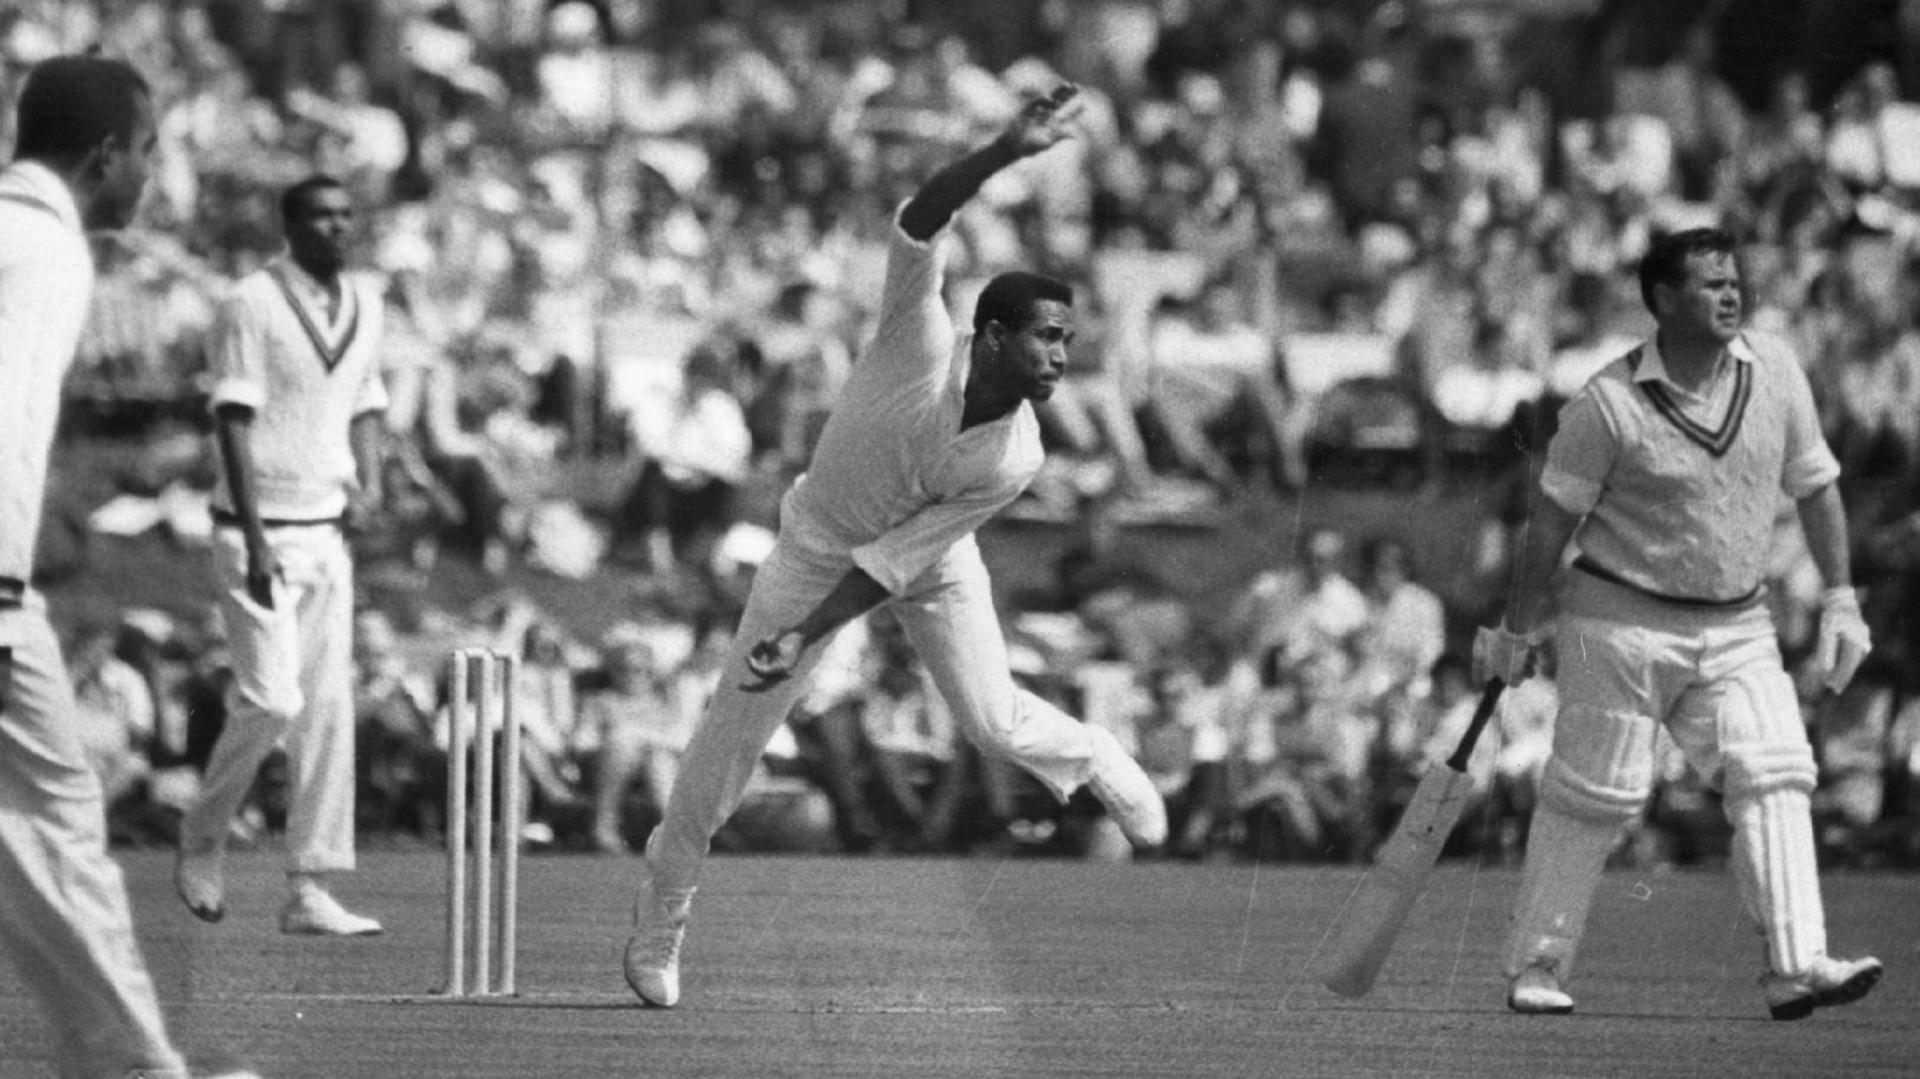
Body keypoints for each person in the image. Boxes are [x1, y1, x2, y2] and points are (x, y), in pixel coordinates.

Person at [624, 84, 1167, 1008]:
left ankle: (1094, 757)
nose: (1061, 356)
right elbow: (920, 221)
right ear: (991, 335)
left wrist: (812, 634)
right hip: (813, 549)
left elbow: (904, 560)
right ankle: (660, 923)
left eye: (1069, 341)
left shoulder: (1019, 452)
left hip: (924, 556)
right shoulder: (918, 337)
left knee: (992, 721)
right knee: (724, 756)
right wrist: (1002, 151)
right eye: (1045, 337)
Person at [1473, 228, 1881, 1020]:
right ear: (1662, 299)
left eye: (1736, 281)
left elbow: (1816, 484)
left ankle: (1798, 965)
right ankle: (1537, 964)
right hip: (1618, 623)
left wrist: (1841, 597)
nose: (1731, 295)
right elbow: (1548, 528)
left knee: (1774, 771)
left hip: (1739, 622)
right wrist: (1515, 632)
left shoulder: (1778, 371)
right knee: (1595, 794)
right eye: (1709, 285)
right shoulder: (1607, 403)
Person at [0, 53, 262, 1079]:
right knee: (55, 827)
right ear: (106, 154)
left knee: (49, 828)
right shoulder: (47, 251)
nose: (154, 176)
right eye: (149, 152)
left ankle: (128, 1063)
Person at [174, 174, 388, 936]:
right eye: (321, 217)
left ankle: (309, 886)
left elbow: (366, 401)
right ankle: (201, 837)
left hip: (328, 529)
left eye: (345, 216)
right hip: (255, 532)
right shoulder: (250, 301)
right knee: (272, 699)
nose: (337, 228)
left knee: (327, 710)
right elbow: (232, 420)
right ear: (290, 226)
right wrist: (258, 537)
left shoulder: (367, 300)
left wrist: (373, 484)